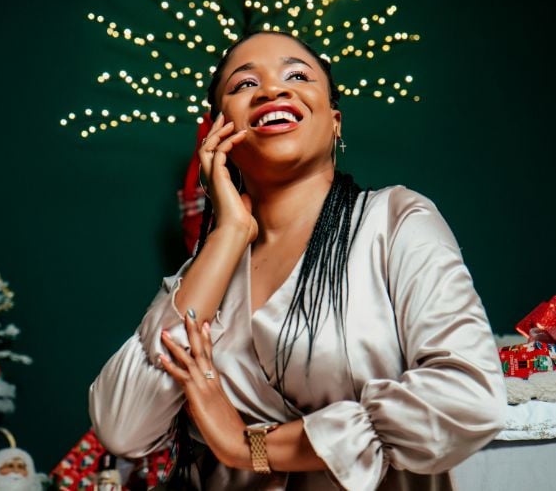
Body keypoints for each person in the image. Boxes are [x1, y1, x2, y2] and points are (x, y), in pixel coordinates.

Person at [89, 31, 506, 490]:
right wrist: (229, 235)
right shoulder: (208, 272)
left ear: (334, 121)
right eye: (244, 84)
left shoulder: (394, 222)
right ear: (216, 133)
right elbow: (123, 426)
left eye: (297, 75)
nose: (272, 89)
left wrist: (248, 446)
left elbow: (468, 397)